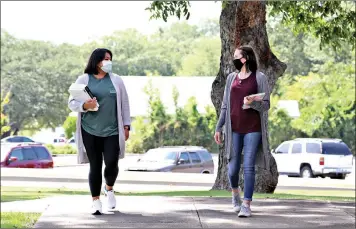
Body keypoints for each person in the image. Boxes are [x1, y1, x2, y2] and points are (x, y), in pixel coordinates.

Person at [68, 48, 131, 215]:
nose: (108, 62)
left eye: (110, 59)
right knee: (95, 166)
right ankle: (95, 201)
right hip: (89, 130)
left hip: (112, 130)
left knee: (112, 162)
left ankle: (109, 188)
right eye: (105, 59)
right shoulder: (83, 79)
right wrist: (85, 106)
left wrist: (126, 125)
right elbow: (72, 102)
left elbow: (124, 103)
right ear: (96, 61)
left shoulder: (116, 80)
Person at [214, 45, 270, 217]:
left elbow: (266, 105)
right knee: (232, 168)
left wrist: (252, 102)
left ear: (244, 58)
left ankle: (246, 204)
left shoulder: (259, 78)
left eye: (236, 56)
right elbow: (225, 105)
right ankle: (235, 194)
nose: (234, 58)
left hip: (253, 129)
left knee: (248, 166)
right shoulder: (231, 78)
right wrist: (219, 127)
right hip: (234, 129)